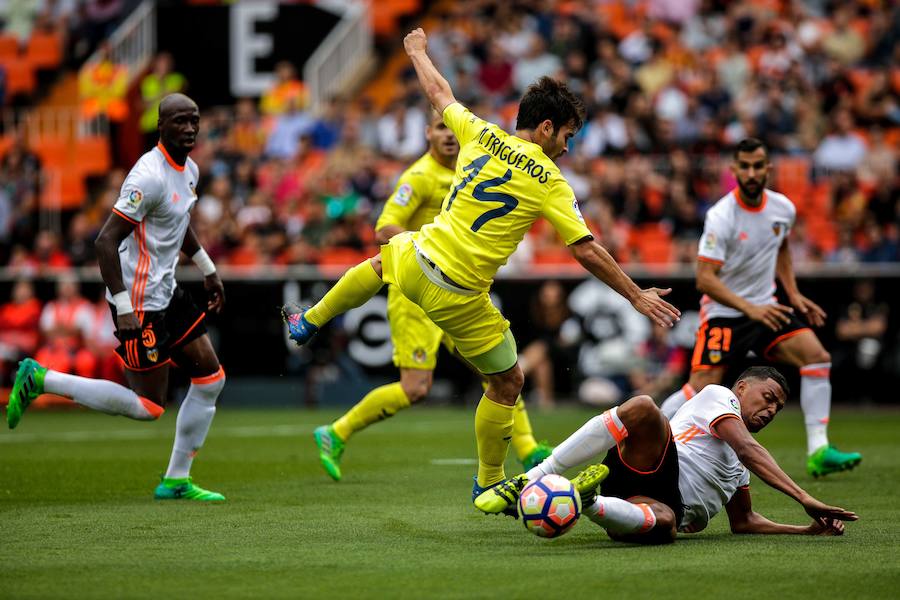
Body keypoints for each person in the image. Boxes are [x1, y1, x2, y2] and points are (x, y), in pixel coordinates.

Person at [282, 28, 680, 508]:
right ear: (548, 128)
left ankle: (310, 320)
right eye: (569, 136)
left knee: (382, 260)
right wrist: (636, 295)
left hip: (416, 262)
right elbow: (586, 250)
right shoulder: (550, 180)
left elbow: (438, 93)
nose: (569, 149)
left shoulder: (479, 131)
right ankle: (489, 480)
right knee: (508, 381)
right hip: (459, 295)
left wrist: (416, 51)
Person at [6, 94, 228, 502]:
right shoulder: (148, 176)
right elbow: (105, 242)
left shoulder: (190, 169)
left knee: (211, 378)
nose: (191, 128)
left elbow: (179, 222)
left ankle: (177, 480)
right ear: (161, 127)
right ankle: (41, 378)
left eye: (195, 120)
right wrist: (123, 307)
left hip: (167, 291)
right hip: (138, 301)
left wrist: (208, 269)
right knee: (149, 406)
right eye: (180, 121)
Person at [312, 109, 553, 481]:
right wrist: (425, 249)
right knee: (416, 388)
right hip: (417, 292)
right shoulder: (418, 177)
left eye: (450, 128)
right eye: (440, 128)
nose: (448, 136)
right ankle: (336, 432)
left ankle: (529, 449)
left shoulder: (475, 164)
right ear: (427, 133)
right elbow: (383, 228)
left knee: (500, 371)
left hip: (455, 291)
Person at [658, 138, 862, 478]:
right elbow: (705, 280)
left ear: (768, 169)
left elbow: (779, 247)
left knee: (816, 357)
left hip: (766, 309)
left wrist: (793, 294)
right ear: (735, 170)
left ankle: (819, 450)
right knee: (696, 390)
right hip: (725, 314)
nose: (752, 173)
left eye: (758, 166)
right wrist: (751, 310)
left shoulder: (783, 209)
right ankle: (653, 438)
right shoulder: (721, 216)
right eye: (745, 166)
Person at [477, 367, 858, 544]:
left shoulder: (740, 467)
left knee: (665, 524)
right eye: (768, 397)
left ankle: (586, 500)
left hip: (655, 505)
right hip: (651, 463)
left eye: (778, 407)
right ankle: (535, 475)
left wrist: (806, 530)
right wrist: (804, 498)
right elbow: (748, 447)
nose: (772, 410)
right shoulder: (718, 397)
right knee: (645, 407)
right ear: (741, 388)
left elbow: (744, 522)